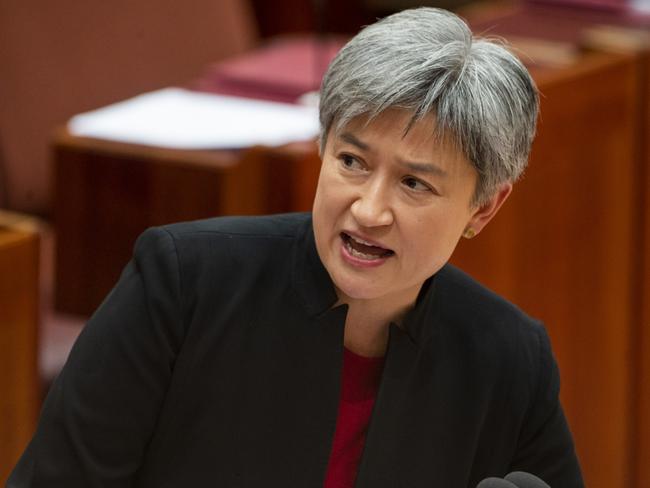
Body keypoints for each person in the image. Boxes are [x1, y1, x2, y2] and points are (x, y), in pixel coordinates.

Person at [8, 7, 583, 488]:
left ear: (483, 207)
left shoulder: (509, 360)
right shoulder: (181, 288)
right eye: (352, 162)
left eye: (415, 183)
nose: (369, 210)